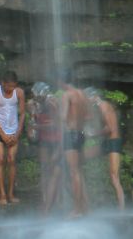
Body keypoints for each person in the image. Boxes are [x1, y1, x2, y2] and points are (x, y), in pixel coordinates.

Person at [0, 70, 25, 205]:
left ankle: (11, 193)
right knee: (1, 159)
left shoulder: (19, 92)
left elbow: (22, 114)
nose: (11, 89)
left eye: (13, 86)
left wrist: (17, 133)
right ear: (3, 83)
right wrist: (2, 134)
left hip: (13, 130)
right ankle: (2, 194)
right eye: (9, 86)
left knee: (12, 159)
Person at [85, 88, 126, 209]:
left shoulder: (103, 106)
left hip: (114, 142)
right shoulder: (98, 107)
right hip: (106, 142)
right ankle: (85, 204)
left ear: (94, 96)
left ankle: (121, 210)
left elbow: (110, 128)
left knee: (114, 176)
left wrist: (93, 134)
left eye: (88, 98)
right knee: (80, 158)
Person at [58, 76, 90, 217]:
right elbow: (89, 116)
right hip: (81, 134)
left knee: (73, 172)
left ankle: (77, 209)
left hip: (70, 135)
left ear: (62, 82)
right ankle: (85, 208)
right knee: (79, 172)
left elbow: (63, 117)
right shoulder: (82, 94)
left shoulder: (67, 95)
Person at [29, 83, 63, 214]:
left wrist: (37, 128)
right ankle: (45, 200)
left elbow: (56, 125)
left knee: (55, 170)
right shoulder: (33, 104)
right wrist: (32, 130)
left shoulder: (52, 103)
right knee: (44, 169)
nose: (35, 98)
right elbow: (33, 121)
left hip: (56, 139)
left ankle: (58, 200)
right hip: (44, 140)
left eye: (37, 96)